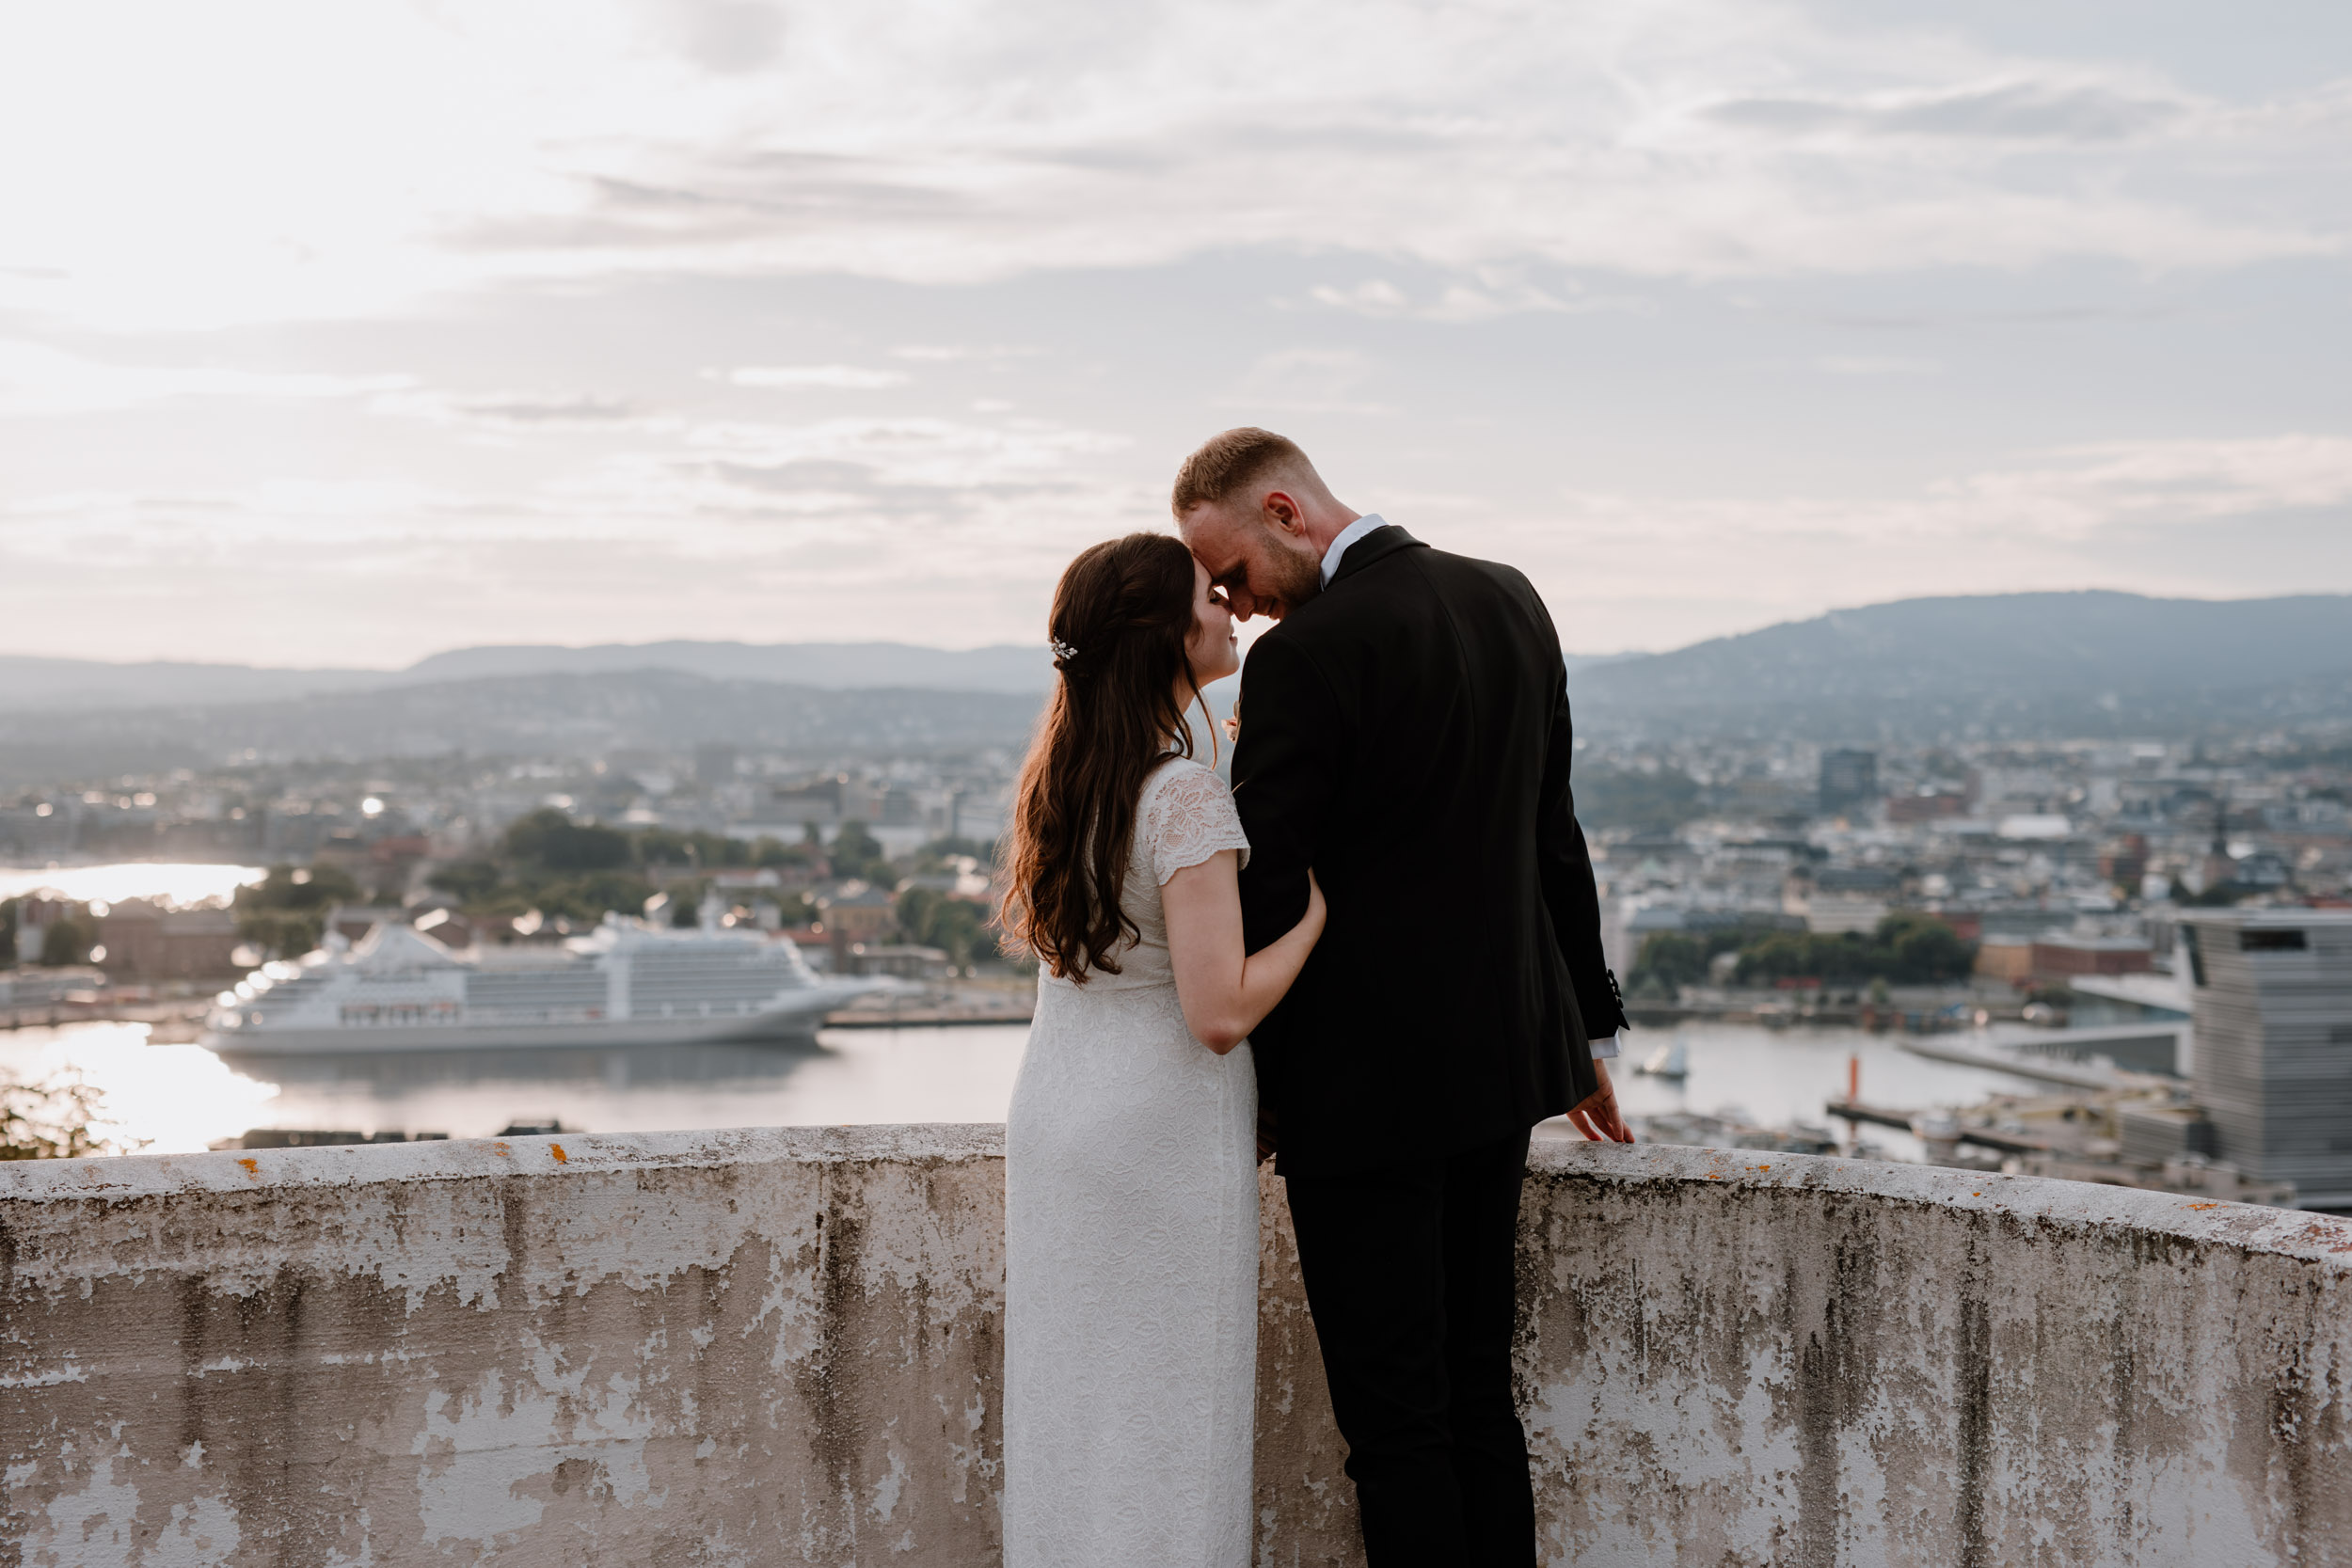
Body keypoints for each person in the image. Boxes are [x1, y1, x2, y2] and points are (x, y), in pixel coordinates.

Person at [1174, 427, 1634, 1566]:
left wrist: (1263, 1085)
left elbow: (1275, 882)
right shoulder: (1510, 597)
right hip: (1496, 1076)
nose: (1235, 603)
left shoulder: (1303, 657)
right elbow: (1551, 835)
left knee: (1395, 1426)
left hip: (1362, 1096)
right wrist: (1577, 1032)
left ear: (1285, 511)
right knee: (1480, 1396)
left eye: (1230, 571)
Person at [997, 531, 1328, 1568]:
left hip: (1058, 1122)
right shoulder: (1179, 788)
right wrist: (1318, 915)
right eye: (1209, 596)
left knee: (1074, 1408)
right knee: (1170, 1411)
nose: (1231, 608)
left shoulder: (1065, 779)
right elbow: (1220, 1008)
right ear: (1164, 637)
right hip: (1160, 1136)